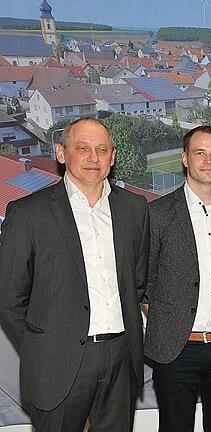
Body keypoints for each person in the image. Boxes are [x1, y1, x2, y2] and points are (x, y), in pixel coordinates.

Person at [0, 117, 149, 431]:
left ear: (113, 156)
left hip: (120, 360)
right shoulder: (28, 213)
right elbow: (9, 298)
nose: (93, 157)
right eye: (82, 148)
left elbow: (136, 282)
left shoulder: (135, 209)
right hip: (56, 364)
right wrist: (44, 345)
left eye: (101, 149)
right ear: (61, 153)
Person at [143, 125, 211, 432]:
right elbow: (145, 283)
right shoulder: (159, 214)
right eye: (200, 153)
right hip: (177, 349)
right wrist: (171, 320)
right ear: (184, 158)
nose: (208, 160)